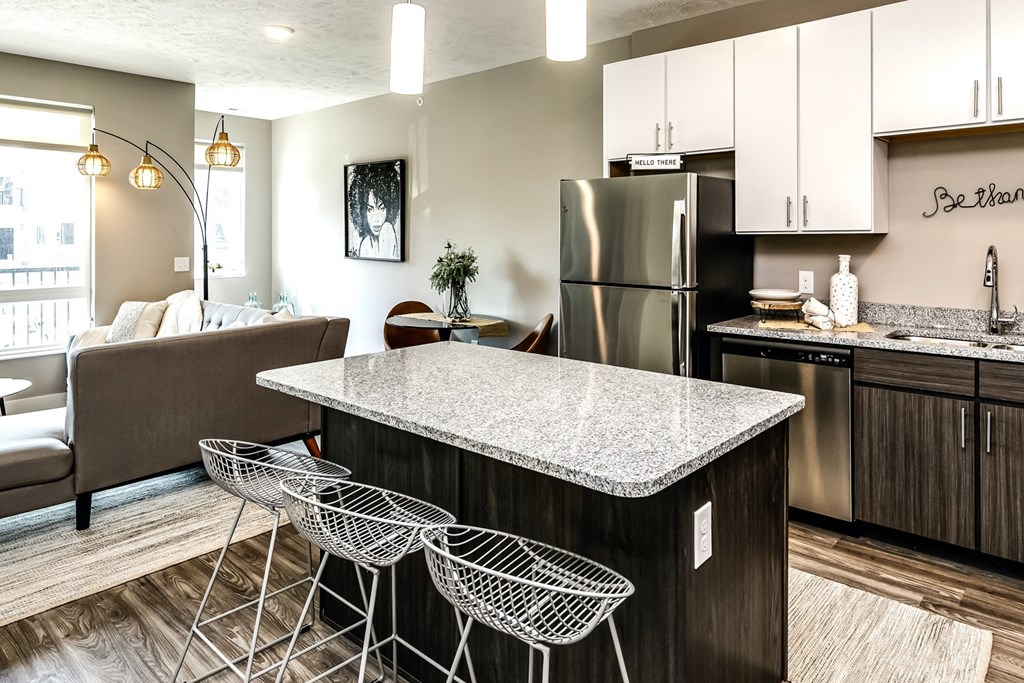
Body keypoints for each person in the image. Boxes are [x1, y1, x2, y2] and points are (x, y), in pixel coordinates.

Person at [347, 161, 401, 259]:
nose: (376, 218)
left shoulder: (387, 229)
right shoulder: (365, 243)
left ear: (389, 209)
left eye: (381, 208)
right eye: (370, 209)